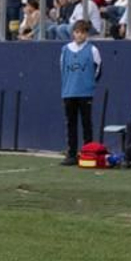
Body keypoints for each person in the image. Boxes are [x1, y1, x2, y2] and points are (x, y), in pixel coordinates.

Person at [58, 19, 102, 165]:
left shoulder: (92, 50)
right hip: (69, 92)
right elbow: (62, 68)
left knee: (86, 123)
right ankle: (71, 153)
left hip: (85, 92)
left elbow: (97, 70)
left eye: (82, 33)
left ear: (86, 34)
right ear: (73, 33)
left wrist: (89, 83)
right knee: (71, 123)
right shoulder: (65, 49)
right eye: (77, 32)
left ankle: (87, 152)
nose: (79, 36)